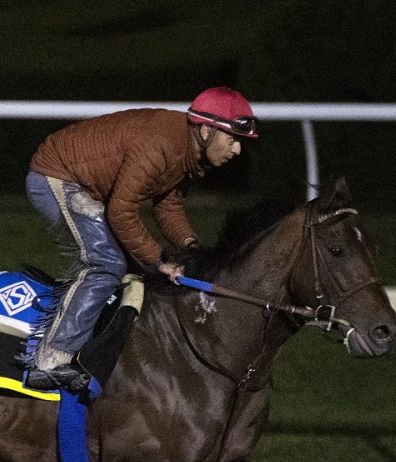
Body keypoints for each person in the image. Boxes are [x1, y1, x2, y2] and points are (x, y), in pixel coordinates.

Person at [24, 86, 258, 390]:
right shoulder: (161, 145)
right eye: (233, 139)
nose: (237, 150)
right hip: (55, 176)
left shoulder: (186, 151)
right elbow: (121, 212)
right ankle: (49, 361)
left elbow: (168, 205)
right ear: (205, 130)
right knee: (106, 264)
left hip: (86, 186)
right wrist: (159, 260)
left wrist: (192, 248)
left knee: (131, 269)